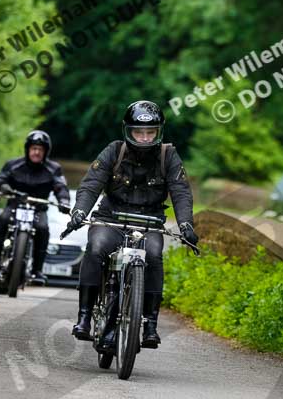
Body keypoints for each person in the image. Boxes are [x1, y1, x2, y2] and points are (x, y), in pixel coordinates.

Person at [67, 100, 198, 349]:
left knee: (155, 255)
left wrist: (186, 226)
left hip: (149, 222)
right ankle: (84, 317)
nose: (145, 138)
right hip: (111, 219)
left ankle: (149, 324)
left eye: (150, 132)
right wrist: (80, 211)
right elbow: (91, 183)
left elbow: (181, 192)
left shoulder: (168, 156)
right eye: (139, 132)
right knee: (95, 248)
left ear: (159, 132)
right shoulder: (114, 151)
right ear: (129, 131)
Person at [0, 130, 70, 284]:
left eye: (40, 149)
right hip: (15, 205)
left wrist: (64, 201)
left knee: (43, 229)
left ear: (45, 152)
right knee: (2, 220)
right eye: (34, 148)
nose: (36, 152)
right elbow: (0, 181)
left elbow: (60, 187)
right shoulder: (13, 164)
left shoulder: (54, 168)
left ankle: (37, 270)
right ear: (28, 149)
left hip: (38, 209)